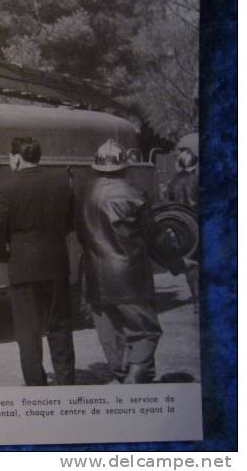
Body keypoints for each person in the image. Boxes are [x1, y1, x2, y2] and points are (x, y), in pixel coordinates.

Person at [77, 139, 191, 384]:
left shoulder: (84, 194)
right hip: (129, 277)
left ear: (96, 167)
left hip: (95, 277)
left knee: (110, 334)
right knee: (146, 331)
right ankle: (136, 377)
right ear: (124, 167)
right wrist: (176, 264)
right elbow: (155, 237)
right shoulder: (134, 194)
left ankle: (123, 374)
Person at [0, 136, 75, 386]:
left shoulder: (8, 188)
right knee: (60, 327)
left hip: (23, 268)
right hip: (56, 265)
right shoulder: (60, 182)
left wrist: (2, 255)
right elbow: (70, 221)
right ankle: (67, 382)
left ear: (16, 158)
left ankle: (37, 385)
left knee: (28, 332)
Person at [165, 136, 200, 312]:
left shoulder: (172, 182)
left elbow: (167, 204)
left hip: (182, 227)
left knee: (190, 264)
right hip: (197, 222)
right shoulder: (197, 180)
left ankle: (196, 300)